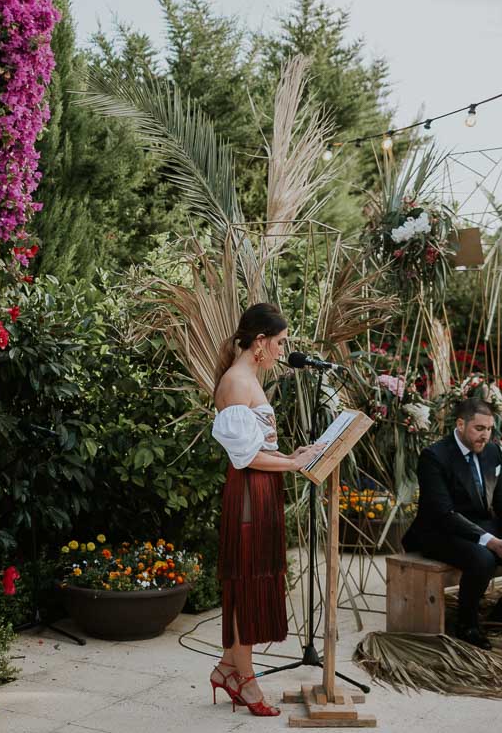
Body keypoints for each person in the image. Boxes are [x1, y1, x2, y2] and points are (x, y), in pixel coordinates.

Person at [208, 303, 323, 717]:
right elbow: (247, 458)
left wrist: (292, 456)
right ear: (259, 342)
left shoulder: (248, 377)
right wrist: (292, 463)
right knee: (247, 583)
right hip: (249, 493)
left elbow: (260, 449)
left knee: (252, 577)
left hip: (260, 489)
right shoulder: (238, 382)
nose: (281, 350)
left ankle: (227, 668)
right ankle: (247, 681)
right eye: (278, 342)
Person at [401, 398, 502, 650]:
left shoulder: (492, 451)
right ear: (460, 424)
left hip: (481, 525)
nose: (485, 435)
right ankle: (467, 625)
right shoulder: (434, 456)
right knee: (483, 558)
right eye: (479, 429)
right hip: (438, 530)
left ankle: (499, 619)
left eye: (489, 429)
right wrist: (492, 542)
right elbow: (443, 512)